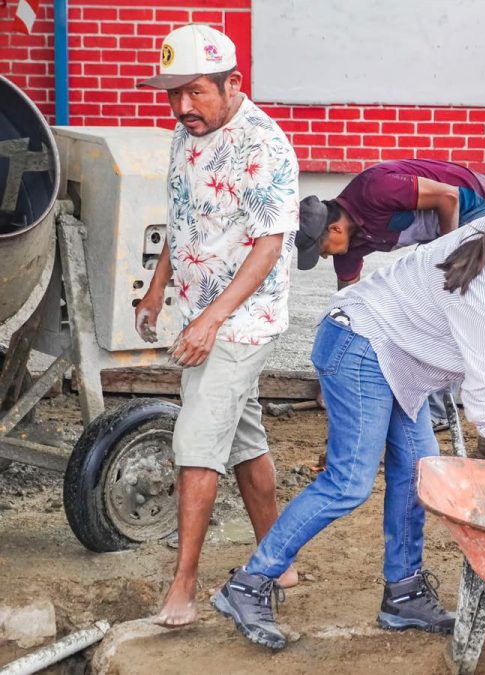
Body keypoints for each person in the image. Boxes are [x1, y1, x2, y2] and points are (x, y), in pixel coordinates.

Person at [211, 199, 485, 650]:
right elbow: (483, 409)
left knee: (420, 471)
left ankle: (403, 594)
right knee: (349, 482)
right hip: (360, 345)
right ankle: (249, 583)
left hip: (402, 360)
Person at [133, 24, 301, 627]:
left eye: (195, 93)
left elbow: (267, 246)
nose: (182, 108)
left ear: (234, 83)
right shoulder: (188, 134)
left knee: (198, 441)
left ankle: (182, 588)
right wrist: (156, 290)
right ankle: (279, 557)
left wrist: (210, 320)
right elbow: (182, 220)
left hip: (242, 320)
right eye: (173, 94)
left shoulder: (264, 147)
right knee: (243, 436)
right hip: (198, 311)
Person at [293, 159, 485, 429]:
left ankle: (438, 412)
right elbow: (348, 311)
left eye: (322, 248)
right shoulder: (349, 248)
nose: (325, 256)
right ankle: (429, 403)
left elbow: (449, 197)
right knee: (418, 302)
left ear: (334, 229)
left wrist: (445, 263)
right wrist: (335, 376)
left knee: (445, 306)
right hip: (441, 231)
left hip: (476, 205)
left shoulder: (375, 189)